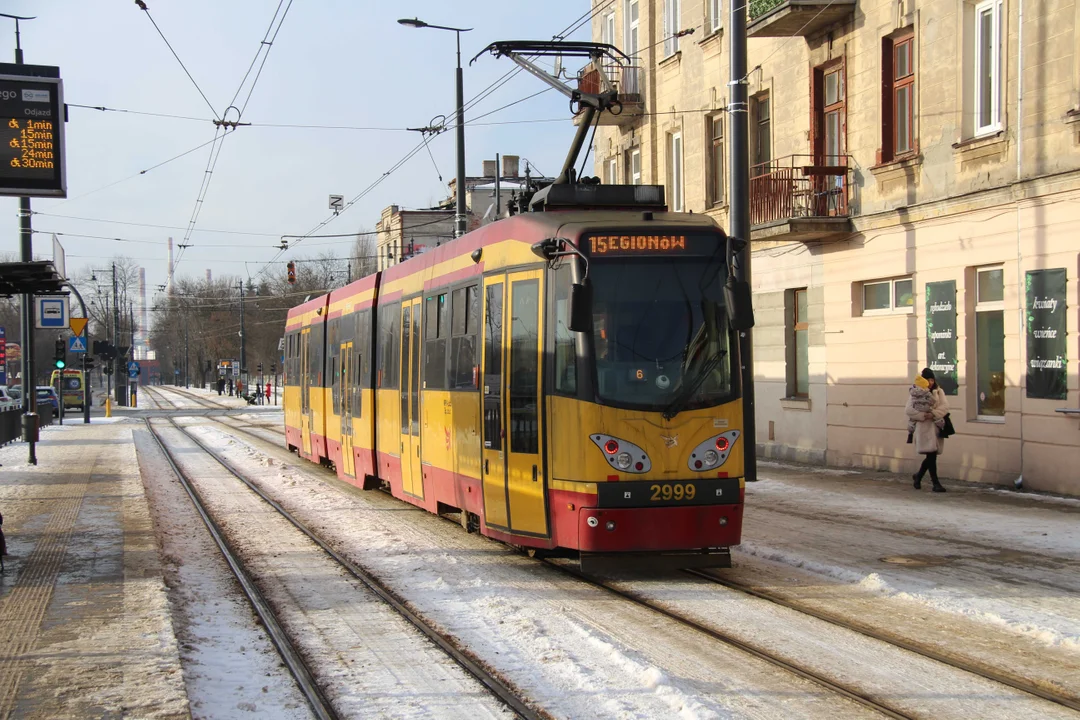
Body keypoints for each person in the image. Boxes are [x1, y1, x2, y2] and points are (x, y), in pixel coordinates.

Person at [905, 367, 949, 492]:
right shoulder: (916, 392)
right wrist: (922, 415)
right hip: (923, 428)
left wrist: (934, 413)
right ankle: (935, 483)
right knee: (931, 455)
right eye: (928, 380)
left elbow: (945, 407)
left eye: (932, 380)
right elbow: (908, 410)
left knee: (932, 455)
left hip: (935, 426)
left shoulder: (938, 391)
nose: (930, 382)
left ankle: (918, 476)